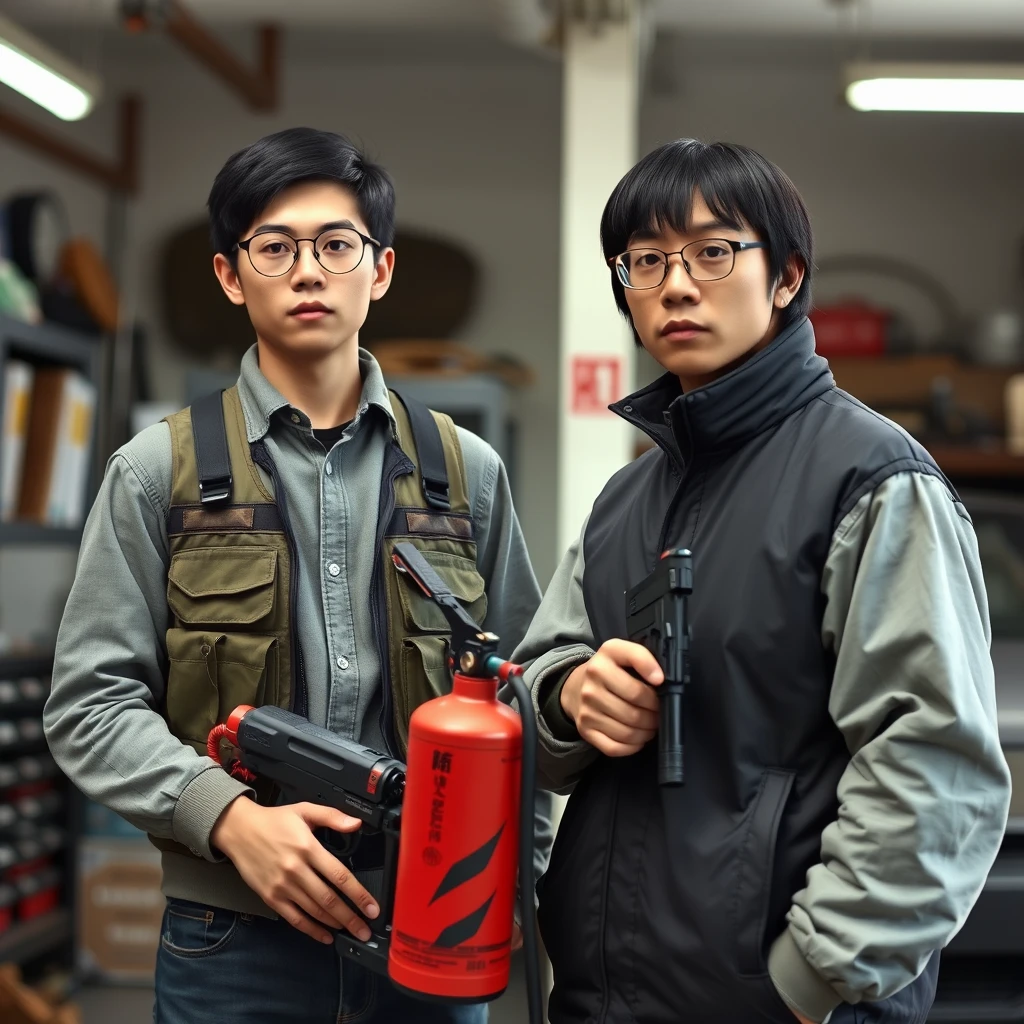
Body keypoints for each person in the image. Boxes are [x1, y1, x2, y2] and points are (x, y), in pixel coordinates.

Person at [44, 127, 551, 1024]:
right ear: (231, 277)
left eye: (335, 245)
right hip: (233, 940)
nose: (308, 271)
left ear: (380, 269)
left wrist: (519, 882)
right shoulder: (155, 472)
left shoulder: (466, 472)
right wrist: (229, 818)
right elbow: (90, 706)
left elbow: (524, 699)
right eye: (274, 248)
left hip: (428, 926)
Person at [513, 138, 1011, 1024]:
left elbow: (933, 768)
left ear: (785, 276)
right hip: (606, 998)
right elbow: (535, 695)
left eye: (713, 251)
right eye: (645, 261)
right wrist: (568, 700)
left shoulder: (872, 480)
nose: (675, 284)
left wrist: (806, 982)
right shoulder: (625, 500)